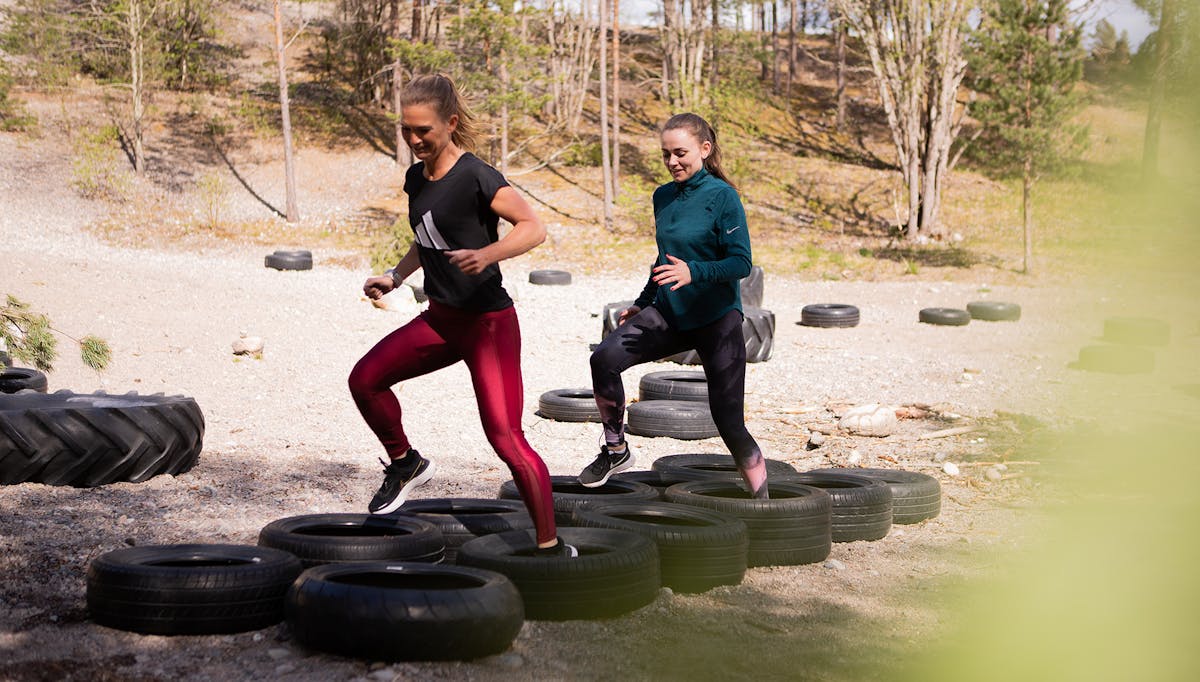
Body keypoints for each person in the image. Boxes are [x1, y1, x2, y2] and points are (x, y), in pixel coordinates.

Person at [349, 74, 574, 556]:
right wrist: (397, 275)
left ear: (450, 123)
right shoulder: (417, 177)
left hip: (487, 325)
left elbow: (533, 227)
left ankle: (551, 547)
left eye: (423, 131)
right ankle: (405, 462)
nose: (413, 140)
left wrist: (488, 254)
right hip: (442, 319)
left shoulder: (477, 175)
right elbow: (426, 235)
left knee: (506, 438)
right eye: (406, 130)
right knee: (365, 379)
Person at [578, 112, 770, 499]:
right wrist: (642, 302)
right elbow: (664, 260)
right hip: (669, 313)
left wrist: (694, 272)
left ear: (704, 149)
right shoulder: (663, 196)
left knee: (729, 423)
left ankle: (764, 505)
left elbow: (741, 263)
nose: (672, 162)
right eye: (665, 154)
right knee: (604, 358)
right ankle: (616, 450)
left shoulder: (723, 197)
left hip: (717, 320)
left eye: (680, 153)